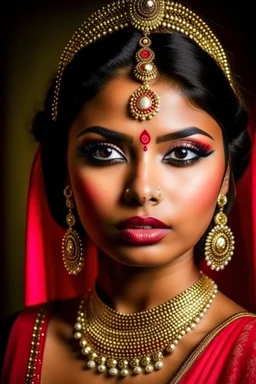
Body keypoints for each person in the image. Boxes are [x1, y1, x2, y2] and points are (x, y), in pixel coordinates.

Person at [1, 0, 256, 383]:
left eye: (183, 153)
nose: (142, 190)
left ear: (225, 175)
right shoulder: (15, 341)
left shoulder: (247, 358)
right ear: (65, 172)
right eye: (104, 152)